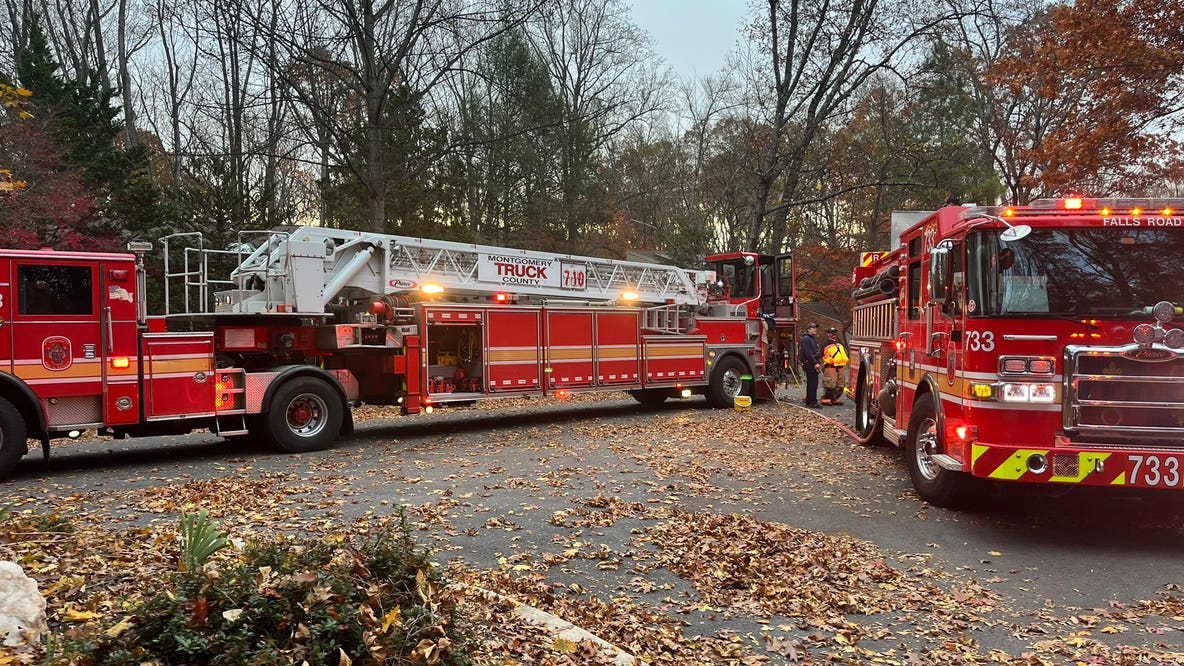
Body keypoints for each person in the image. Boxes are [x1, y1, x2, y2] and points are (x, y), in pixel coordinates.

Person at [820, 327, 849, 405]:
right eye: (832, 333)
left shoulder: (839, 343)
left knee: (840, 384)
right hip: (830, 367)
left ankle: (834, 398)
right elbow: (821, 355)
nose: (834, 334)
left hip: (840, 367)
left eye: (835, 332)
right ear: (828, 334)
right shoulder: (825, 344)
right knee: (830, 384)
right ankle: (826, 399)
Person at [799, 323, 821, 407]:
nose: (815, 329)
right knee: (812, 382)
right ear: (808, 329)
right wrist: (815, 363)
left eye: (815, 328)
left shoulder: (812, 339)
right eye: (813, 328)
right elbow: (808, 352)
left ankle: (810, 400)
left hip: (812, 362)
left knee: (813, 382)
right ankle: (812, 402)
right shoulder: (806, 339)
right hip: (809, 363)